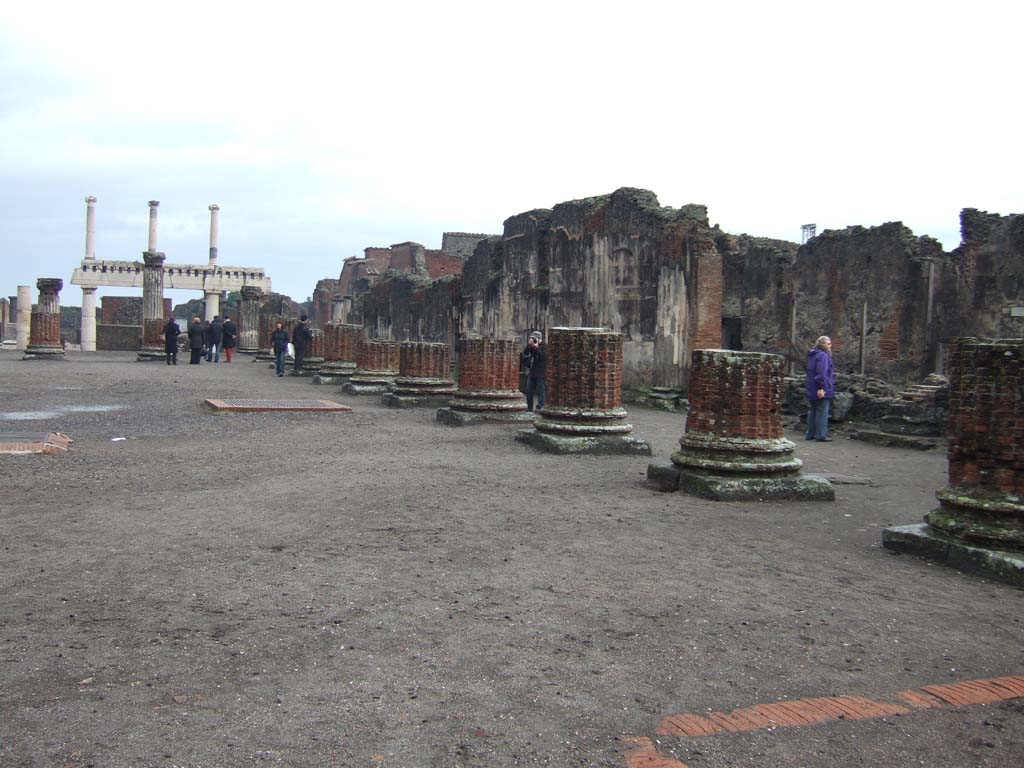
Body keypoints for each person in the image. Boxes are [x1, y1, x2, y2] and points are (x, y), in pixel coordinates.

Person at [805, 335, 836, 442]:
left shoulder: (813, 355)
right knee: (822, 411)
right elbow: (822, 373)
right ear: (823, 344)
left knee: (813, 410)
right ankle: (821, 435)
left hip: (811, 386)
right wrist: (822, 387)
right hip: (820, 387)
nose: (830, 345)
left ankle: (810, 434)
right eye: (828, 343)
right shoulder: (823, 356)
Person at [520, 330, 547, 412]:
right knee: (528, 390)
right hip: (532, 372)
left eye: (534, 339)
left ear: (539, 339)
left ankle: (540, 407)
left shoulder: (544, 347)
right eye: (532, 339)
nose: (533, 341)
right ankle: (529, 408)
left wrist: (537, 347)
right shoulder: (530, 347)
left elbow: (543, 357)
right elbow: (524, 355)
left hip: (541, 373)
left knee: (540, 391)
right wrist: (529, 346)